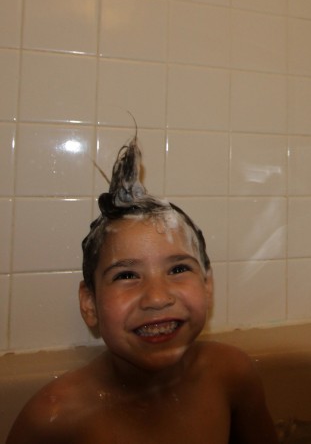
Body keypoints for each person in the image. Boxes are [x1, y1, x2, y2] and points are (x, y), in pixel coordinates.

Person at [7, 137, 278, 444]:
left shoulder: (232, 374)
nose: (158, 297)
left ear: (207, 286)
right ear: (90, 305)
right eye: (126, 275)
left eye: (178, 269)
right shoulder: (54, 419)